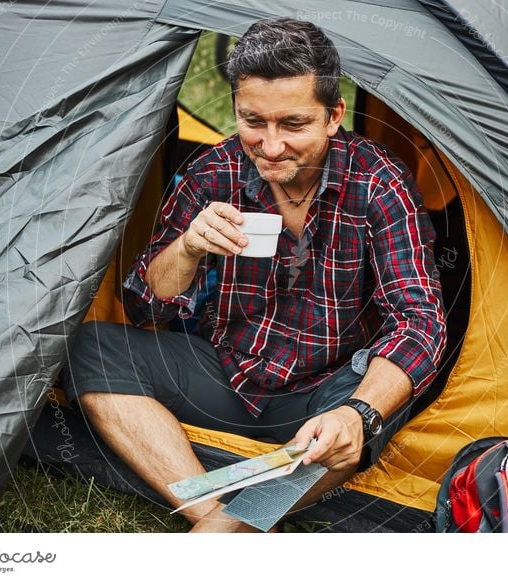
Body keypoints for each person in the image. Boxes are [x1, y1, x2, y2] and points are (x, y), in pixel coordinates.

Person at [61, 17, 446, 532]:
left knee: (383, 398)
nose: (269, 146)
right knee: (89, 347)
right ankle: (218, 519)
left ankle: (226, 530)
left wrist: (357, 412)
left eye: (293, 124)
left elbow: (420, 323)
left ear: (334, 116)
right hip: (227, 374)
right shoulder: (210, 174)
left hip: (325, 389)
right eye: (252, 121)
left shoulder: (379, 183)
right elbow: (144, 306)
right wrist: (188, 247)